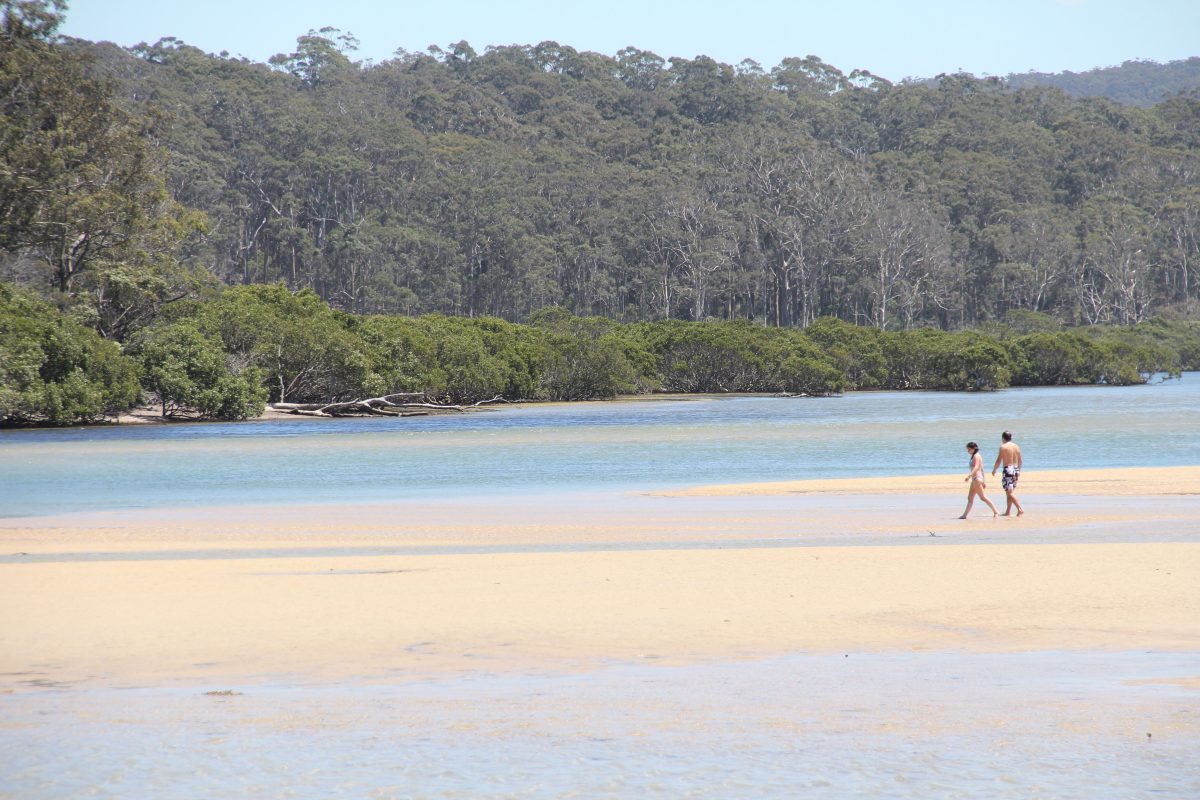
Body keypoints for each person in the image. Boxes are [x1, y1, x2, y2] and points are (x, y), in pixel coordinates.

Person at [959, 441, 998, 519]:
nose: (968, 451)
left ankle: (996, 512)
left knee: (982, 497)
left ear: (973, 449)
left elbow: (977, 467)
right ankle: (964, 515)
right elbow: (982, 469)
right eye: (967, 449)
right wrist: (984, 481)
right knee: (970, 498)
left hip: (977, 478)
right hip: (975, 479)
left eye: (969, 449)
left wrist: (969, 476)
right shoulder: (974, 456)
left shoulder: (976, 456)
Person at [991, 430, 1024, 516]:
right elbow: (1020, 460)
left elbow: (999, 460)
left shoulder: (1003, 447)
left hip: (1008, 469)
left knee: (1010, 492)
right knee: (1010, 492)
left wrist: (994, 469)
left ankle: (1019, 509)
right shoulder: (1016, 446)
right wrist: (1019, 470)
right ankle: (1008, 512)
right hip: (1015, 469)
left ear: (1003, 438)